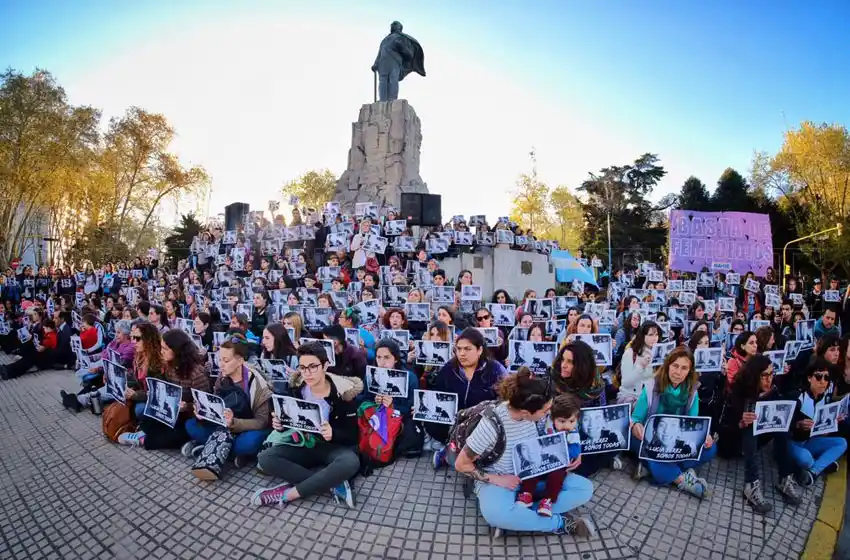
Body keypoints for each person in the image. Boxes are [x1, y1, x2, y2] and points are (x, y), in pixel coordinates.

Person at [454, 368, 594, 535]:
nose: (549, 413)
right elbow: (461, 464)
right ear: (526, 413)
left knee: (584, 488)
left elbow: (565, 426)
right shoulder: (491, 425)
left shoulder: (537, 411)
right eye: (545, 411)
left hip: (535, 475)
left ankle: (521, 517)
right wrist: (498, 479)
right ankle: (559, 522)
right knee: (496, 514)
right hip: (501, 481)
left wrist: (576, 452)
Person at [251, 342, 360, 508]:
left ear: (325, 365)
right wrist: (280, 425)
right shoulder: (296, 389)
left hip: (332, 447)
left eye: (313, 367)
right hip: (304, 443)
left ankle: (288, 494)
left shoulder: (343, 393)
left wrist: (333, 433)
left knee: (350, 462)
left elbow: (353, 435)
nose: (307, 373)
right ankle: (332, 484)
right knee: (265, 458)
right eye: (302, 368)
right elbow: (289, 420)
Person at [629, 347, 717, 499]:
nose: (678, 372)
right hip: (650, 440)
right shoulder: (651, 386)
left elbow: (692, 425)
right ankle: (682, 479)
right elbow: (636, 417)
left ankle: (652, 468)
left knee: (710, 448)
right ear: (668, 365)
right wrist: (636, 425)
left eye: (684, 368)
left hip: (675, 443)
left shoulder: (692, 391)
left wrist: (703, 436)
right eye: (675, 366)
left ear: (689, 371)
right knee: (639, 442)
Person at [183, 336, 272, 477]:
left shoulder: (258, 384)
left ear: (240, 360)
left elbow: (262, 422)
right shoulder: (223, 376)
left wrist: (234, 422)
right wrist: (203, 413)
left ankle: (211, 448)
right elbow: (216, 404)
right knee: (191, 424)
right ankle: (230, 454)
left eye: (226, 360)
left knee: (251, 441)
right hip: (223, 426)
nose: (221, 365)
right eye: (220, 359)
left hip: (245, 428)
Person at [118, 329, 210, 449]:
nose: (161, 352)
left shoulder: (197, 374)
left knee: (175, 434)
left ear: (177, 351)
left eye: (165, 349)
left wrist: (186, 406)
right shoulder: (169, 365)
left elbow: (204, 407)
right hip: (171, 412)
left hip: (189, 417)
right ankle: (144, 433)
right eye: (161, 348)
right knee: (150, 417)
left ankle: (144, 440)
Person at [431, 328, 507, 465]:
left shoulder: (496, 370)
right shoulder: (449, 369)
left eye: (467, 349)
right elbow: (438, 395)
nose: (462, 353)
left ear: (480, 350)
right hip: (454, 421)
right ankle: (451, 448)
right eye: (459, 349)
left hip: (483, 424)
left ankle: (459, 454)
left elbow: (506, 400)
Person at [516, 393, 582, 517]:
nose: (567, 425)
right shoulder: (546, 424)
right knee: (532, 470)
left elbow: (575, 449)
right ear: (552, 418)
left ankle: (548, 501)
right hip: (541, 458)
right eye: (562, 421)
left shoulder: (572, 432)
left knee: (557, 477)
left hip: (558, 462)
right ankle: (526, 494)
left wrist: (569, 452)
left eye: (571, 421)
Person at [787, 358, 848, 486]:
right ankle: (820, 464)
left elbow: (822, 433)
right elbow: (782, 427)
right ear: (809, 378)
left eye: (826, 378)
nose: (823, 382)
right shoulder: (797, 396)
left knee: (841, 443)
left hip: (809, 442)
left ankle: (813, 472)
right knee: (806, 459)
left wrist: (831, 423)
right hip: (792, 442)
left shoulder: (824, 399)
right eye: (819, 377)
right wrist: (798, 424)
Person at [61, 319, 136, 412]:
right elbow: (105, 354)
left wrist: (101, 369)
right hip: (108, 369)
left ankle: (77, 400)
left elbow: (118, 364)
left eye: (118, 332)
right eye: (116, 332)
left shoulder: (129, 348)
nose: (116, 335)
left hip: (119, 377)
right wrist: (95, 360)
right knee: (86, 369)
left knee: (102, 389)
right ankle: (76, 397)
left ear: (126, 334)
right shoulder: (115, 342)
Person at [618, 321, 660, 404]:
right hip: (631, 397)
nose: (654, 338)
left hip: (649, 397)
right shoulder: (630, 353)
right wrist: (641, 367)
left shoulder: (656, 353)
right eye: (650, 335)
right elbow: (625, 383)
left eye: (656, 335)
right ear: (643, 335)